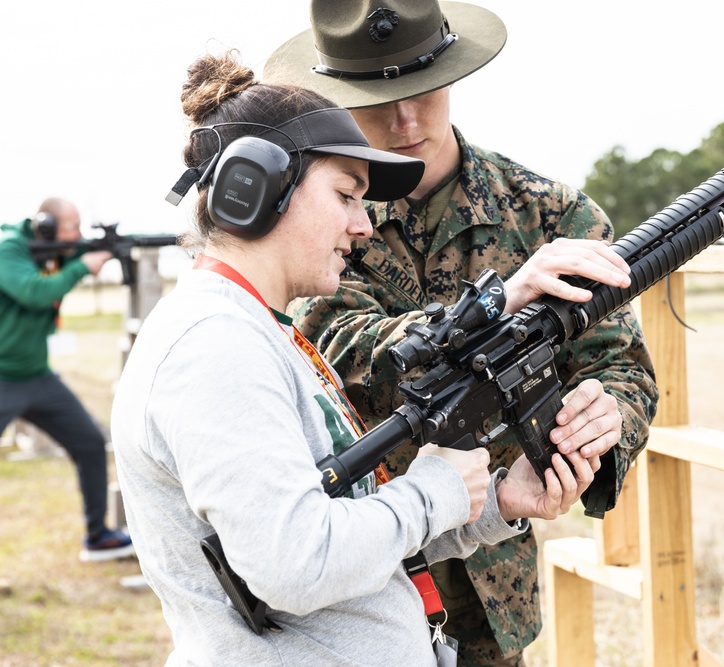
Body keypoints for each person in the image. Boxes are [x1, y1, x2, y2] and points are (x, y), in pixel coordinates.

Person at [110, 51, 596, 666]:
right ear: (257, 190)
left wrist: (496, 502)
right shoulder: (215, 348)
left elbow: (339, 532)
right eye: (346, 195)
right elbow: (296, 563)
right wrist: (437, 490)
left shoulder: (254, 330)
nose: (363, 226)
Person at [264, 1, 660, 664]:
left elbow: (623, 367)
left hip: (492, 591)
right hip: (358, 573)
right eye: (377, 98)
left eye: (421, 90)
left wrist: (605, 417)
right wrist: (502, 299)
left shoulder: (549, 214)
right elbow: (336, 343)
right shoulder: (322, 218)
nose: (405, 120)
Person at [0, 197, 135, 562]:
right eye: (70, 228)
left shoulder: (58, 250)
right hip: (2, 378)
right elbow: (34, 291)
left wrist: (100, 253)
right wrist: (83, 267)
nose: (77, 236)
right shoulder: (8, 248)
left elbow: (60, 269)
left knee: (90, 443)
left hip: (37, 376)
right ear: (44, 226)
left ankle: (98, 536)